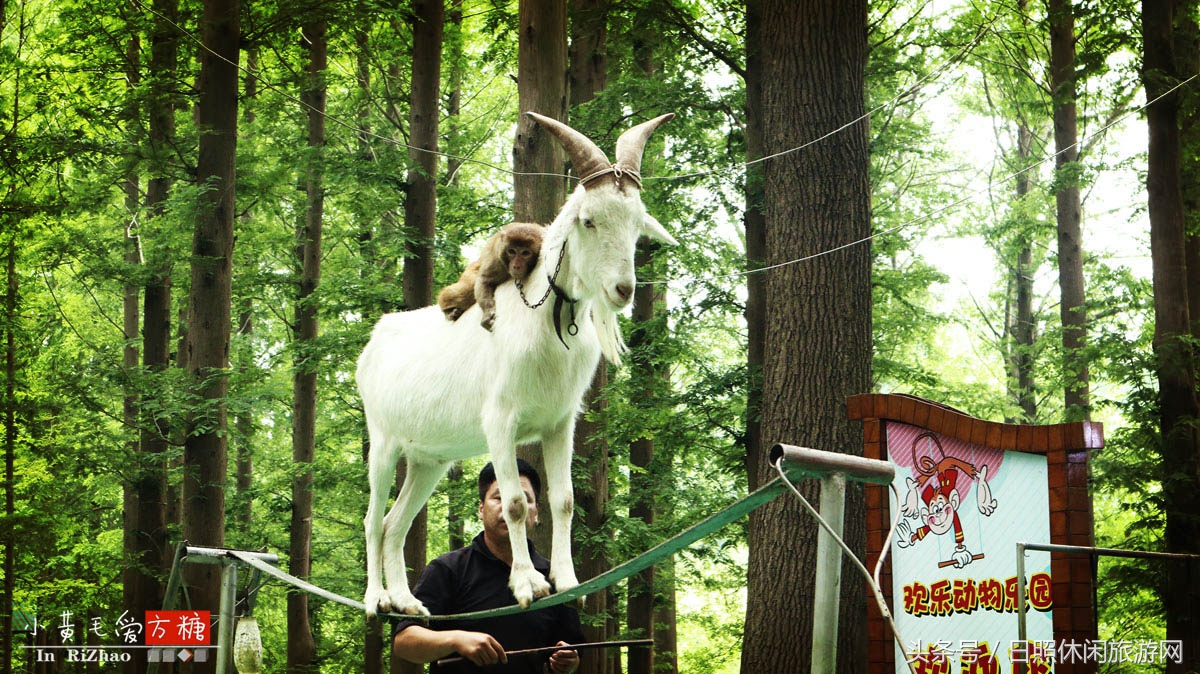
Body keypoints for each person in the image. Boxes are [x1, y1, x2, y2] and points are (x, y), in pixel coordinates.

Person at [392, 459, 584, 673]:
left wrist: (568, 661)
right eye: (499, 497)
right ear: (481, 509)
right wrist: (455, 640)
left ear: (536, 512)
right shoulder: (448, 569)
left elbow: (571, 649)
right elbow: (404, 642)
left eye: (524, 498)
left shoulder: (554, 577)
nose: (512, 506)